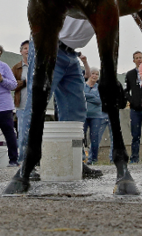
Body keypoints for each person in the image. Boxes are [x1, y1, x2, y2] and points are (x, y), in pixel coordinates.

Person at [19, 17, 102, 179]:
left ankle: (75, 160)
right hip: (48, 42)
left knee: (76, 110)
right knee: (37, 104)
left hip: (71, 53)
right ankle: (26, 163)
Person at [124, 51, 142, 163]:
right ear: (133, 60)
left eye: (140, 57)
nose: (139, 60)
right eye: (136, 58)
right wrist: (132, 100)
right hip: (135, 109)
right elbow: (126, 90)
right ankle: (134, 158)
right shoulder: (130, 74)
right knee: (135, 135)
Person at [83, 68, 108, 164]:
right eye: (93, 73)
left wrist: (87, 97)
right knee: (80, 137)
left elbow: (99, 101)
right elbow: (80, 96)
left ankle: (93, 159)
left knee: (95, 137)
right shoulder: (83, 86)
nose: (94, 76)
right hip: (83, 115)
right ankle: (80, 156)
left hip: (96, 116)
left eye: (97, 74)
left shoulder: (100, 87)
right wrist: (93, 97)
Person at [11, 40, 29, 159]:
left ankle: (36, 160)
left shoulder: (38, 66)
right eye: (25, 48)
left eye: (30, 48)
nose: (27, 50)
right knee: (22, 134)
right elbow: (11, 85)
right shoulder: (16, 68)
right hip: (22, 106)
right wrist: (24, 82)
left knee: (36, 134)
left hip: (37, 106)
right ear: (21, 51)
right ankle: (22, 160)